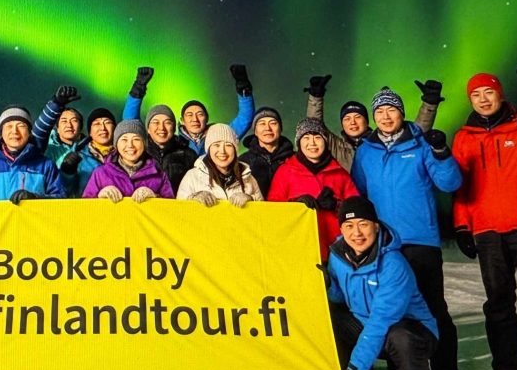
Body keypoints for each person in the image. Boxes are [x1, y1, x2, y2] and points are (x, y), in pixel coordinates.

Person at [351, 87, 463, 370]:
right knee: (394, 312)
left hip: (419, 241)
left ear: (402, 113)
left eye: (391, 110)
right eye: (380, 112)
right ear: (374, 118)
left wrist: (441, 153)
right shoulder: (366, 151)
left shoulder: (421, 143)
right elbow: (360, 193)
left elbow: (450, 182)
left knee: (432, 307)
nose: (386, 117)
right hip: (384, 246)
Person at [451, 65, 517, 370]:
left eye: (488, 92)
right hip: (487, 231)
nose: (483, 99)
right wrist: (462, 226)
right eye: (476, 95)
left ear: (500, 94)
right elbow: (460, 187)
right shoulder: (464, 139)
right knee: (498, 303)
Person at [82, 119, 173, 370]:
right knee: (114, 322)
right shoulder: (100, 173)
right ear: (116, 145)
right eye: (124, 141)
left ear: (144, 143)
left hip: (148, 260)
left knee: (148, 321)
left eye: (135, 140)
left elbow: (176, 215)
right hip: (112, 259)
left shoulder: (158, 173)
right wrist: (97, 198)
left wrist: (157, 199)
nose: (130, 145)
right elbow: (80, 214)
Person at [321, 196, 438, 370]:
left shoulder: (393, 264)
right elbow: (341, 299)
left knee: (400, 334)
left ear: (375, 226)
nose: (356, 233)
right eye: (349, 226)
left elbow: (381, 320)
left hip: (411, 331)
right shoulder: (338, 256)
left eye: (363, 224)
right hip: (367, 327)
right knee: (330, 318)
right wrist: (328, 286)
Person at [176, 123, 263, 370]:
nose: (222, 151)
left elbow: (266, 218)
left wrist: (250, 201)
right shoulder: (193, 176)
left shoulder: (248, 178)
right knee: (211, 322)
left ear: (235, 148)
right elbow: (176, 215)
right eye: (216, 146)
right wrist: (193, 200)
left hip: (240, 259)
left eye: (227, 146)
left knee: (242, 321)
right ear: (208, 149)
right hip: (206, 258)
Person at [303, 75, 443, 172]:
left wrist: (429, 105)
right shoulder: (336, 146)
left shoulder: (381, 142)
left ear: (368, 120)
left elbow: (415, 135)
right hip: (349, 206)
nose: (352, 122)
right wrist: (316, 98)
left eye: (358, 117)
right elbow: (314, 127)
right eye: (347, 119)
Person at [267, 118, 358, 259]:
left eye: (317, 137)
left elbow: (357, 211)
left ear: (325, 141)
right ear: (299, 143)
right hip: (298, 248)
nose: (312, 143)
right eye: (306, 138)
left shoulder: (340, 174)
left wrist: (337, 205)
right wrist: (295, 206)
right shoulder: (285, 172)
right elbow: (273, 213)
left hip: (337, 248)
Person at [122, 66, 256, 155]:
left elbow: (245, 118)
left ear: (207, 119)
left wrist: (243, 88)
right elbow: (130, 123)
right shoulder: (174, 143)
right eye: (189, 115)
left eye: (200, 114)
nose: (194, 119)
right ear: (182, 121)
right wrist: (138, 89)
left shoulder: (219, 136)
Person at [0, 105, 64, 203]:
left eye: (21, 126)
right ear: (1, 133)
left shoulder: (46, 165)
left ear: (29, 132)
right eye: (9, 126)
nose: (14, 131)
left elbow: (61, 199)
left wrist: (35, 198)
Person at [238, 107, 295, 196]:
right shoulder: (243, 161)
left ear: (280, 129)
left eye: (273, 123)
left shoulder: (295, 159)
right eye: (262, 124)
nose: (267, 128)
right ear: (255, 131)